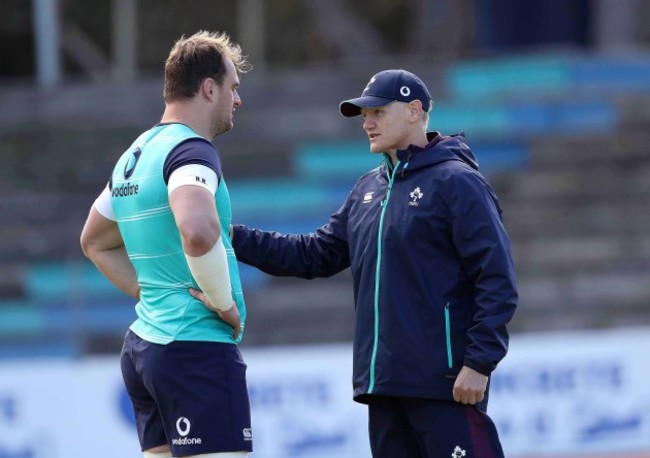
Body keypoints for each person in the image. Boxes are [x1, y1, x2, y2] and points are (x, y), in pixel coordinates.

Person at [224, 69, 518, 457]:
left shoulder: (457, 183)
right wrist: (228, 236)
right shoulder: (367, 188)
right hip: (382, 390)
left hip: (445, 386)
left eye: (378, 111)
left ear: (415, 111)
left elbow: (497, 280)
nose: (368, 122)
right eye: (364, 115)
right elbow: (312, 253)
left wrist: (479, 363)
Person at [80, 31, 253, 458]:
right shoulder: (192, 150)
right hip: (194, 348)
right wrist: (221, 301)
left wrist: (155, 293)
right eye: (233, 87)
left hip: (145, 348)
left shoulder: (136, 154)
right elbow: (197, 230)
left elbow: (94, 242)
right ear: (208, 88)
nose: (237, 99)